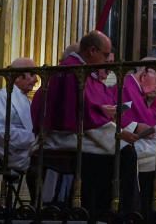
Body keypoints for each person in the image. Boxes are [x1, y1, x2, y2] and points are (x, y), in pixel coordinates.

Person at [30, 31, 139, 216]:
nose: (107, 62)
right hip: (61, 137)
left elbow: (87, 111)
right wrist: (117, 133)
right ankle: (108, 212)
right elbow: (82, 116)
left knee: (123, 151)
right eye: (105, 55)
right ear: (92, 51)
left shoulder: (80, 70)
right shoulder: (74, 72)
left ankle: (109, 210)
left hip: (75, 133)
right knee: (125, 153)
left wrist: (111, 124)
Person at [121, 62, 156, 213]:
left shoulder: (135, 89)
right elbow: (123, 117)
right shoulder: (127, 87)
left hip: (134, 137)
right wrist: (138, 126)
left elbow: (143, 117)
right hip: (125, 139)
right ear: (144, 75)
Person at [0, 58, 37, 179]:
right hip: (14, 155)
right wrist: (34, 138)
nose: (36, 80)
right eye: (32, 74)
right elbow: (0, 132)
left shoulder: (27, 100)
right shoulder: (2, 97)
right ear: (18, 77)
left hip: (27, 151)